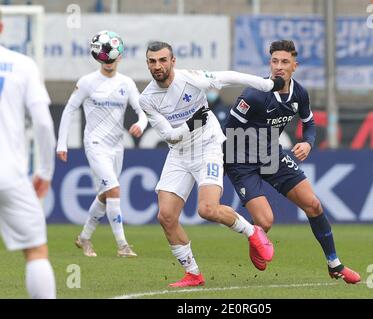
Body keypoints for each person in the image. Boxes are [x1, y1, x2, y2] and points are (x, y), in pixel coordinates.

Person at [139, 41, 285, 287]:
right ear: (148, 64)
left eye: (163, 60)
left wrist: (269, 85)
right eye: (152, 61)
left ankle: (253, 232)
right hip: (179, 153)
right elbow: (170, 136)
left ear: (173, 61)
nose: (158, 66)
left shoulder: (192, 79)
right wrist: (192, 123)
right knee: (166, 216)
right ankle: (193, 274)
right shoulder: (147, 99)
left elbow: (230, 77)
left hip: (208, 147)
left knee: (207, 209)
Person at [223, 40, 361, 284]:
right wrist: (227, 165)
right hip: (241, 161)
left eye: (284, 62)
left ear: (294, 66)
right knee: (265, 222)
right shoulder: (255, 93)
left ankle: (334, 264)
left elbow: (308, 122)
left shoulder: (300, 92)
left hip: (271, 155)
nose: (279, 66)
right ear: (270, 64)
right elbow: (229, 130)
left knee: (314, 205)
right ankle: (255, 235)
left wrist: (308, 142)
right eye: (275, 61)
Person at [56, 33, 147, 258]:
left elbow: (141, 110)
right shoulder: (87, 82)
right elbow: (69, 110)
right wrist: (62, 143)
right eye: (106, 58)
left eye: (112, 58)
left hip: (117, 146)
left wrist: (141, 124)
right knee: (114, 189)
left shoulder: (126, 83)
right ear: (99, 57)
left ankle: (84, 237)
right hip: (95, 143)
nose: (109, 62)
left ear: (119, 56)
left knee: (106, 195)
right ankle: (123, 245)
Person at [0, 11, 56, 298]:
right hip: (9, 174)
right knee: (35, 249)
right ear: (1, 26)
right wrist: (45, 172)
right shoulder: (21, 65)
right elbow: (44, 123)